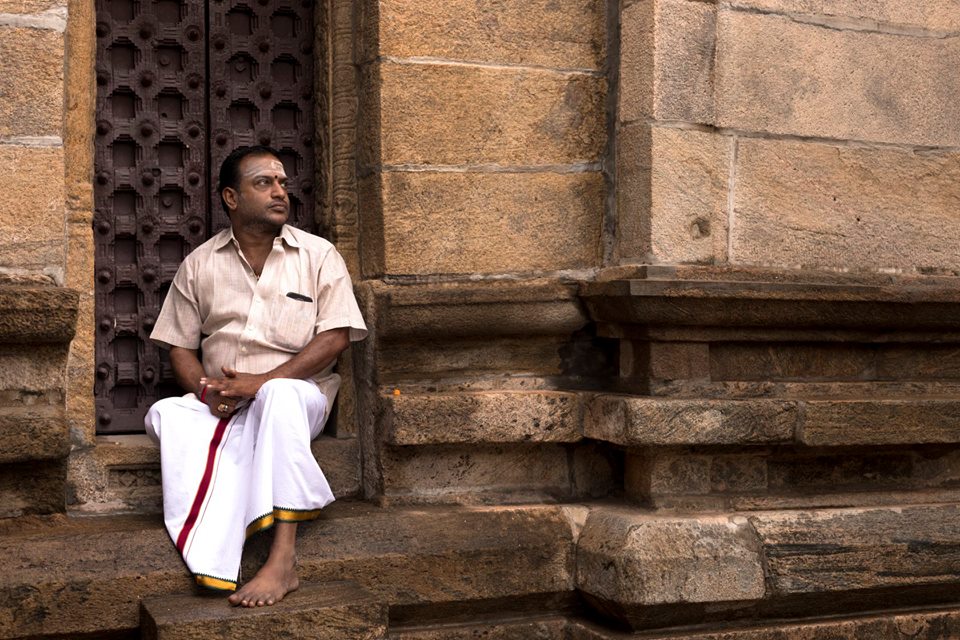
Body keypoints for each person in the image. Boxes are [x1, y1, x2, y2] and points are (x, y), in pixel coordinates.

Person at [144, 145, 367, 607]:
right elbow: (180, 347)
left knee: (280, 398)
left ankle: (282, 560)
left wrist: (261, 384)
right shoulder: (200, 263)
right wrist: (208, 393)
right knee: (165, 413)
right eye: (264, 183)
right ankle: (217, 550)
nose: (279, 191)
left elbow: (336, 338)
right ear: (231, 196)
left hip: (299, 395)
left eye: (282, 183)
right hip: (226, 402)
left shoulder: (319, 256)